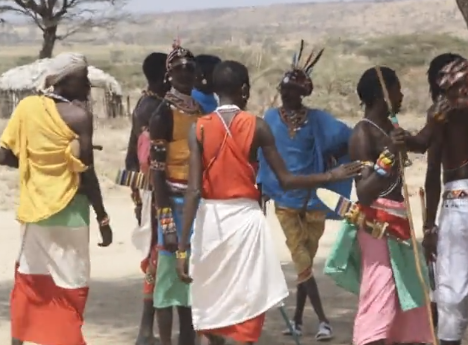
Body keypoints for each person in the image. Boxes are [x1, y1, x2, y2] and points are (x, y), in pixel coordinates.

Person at [174, 60, 363, 345]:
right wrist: (330, 175)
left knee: (211, 293)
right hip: (246, 222)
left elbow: (193, 192)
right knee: (249, 297)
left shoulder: (198, 129)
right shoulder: (258, 126)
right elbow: (286, 179)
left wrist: (181, 248)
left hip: (210, 221)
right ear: (245, 90)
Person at [0, 52, 113, 345]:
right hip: (72, 212)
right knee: (70, 283)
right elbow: (87, 173)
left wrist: (37, 165)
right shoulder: (79, 117)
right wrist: (102, 216)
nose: (88, 86)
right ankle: (67, 339)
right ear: (65, 81)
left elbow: (4, 156)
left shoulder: (27, 108)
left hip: (35, 209)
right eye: (82, 79)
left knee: (29, 278)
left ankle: (18, 340)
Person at [391, 53, 468, 345]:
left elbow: (423, 148)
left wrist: (429, 227)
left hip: (460, 209)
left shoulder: (442, 111)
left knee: (451, 296)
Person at [324, 66, 433, 345]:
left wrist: (438, 116)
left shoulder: (390, 129)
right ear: (381, 95)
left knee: (411, 295)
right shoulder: (363, 133)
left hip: (400, 224)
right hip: (378, 227)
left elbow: (421, 143)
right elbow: (363, 193)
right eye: (397, 89)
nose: (401, 94)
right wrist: (390, 156)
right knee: (380, 296)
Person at [256, 40, 353, 341]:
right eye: (285, 90)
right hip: (285, 201)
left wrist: (334, 162)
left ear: (304, 93)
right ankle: (324, 321)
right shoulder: (270, 119)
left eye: (294, 91)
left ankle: (297, 320)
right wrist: (263, 188)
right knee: (301, 260)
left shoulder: (318, 119)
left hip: (314, 201)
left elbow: (347, 137)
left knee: (304, 265)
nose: (288, 95)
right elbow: (259, 154)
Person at [149, 41, 202, 345]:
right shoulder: (162, 114)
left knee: (191, 280)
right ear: (169, 74)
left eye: (190, 69)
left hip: (197, 203)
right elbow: (157, 174)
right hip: (173, 203)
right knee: (169, 280)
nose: (185, 73)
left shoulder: (201, 111)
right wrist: (166, 222)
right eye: (179, 69)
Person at [123, 51, 170, 345]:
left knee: (155, 255)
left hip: (147, 190)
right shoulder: (155, 109)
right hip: (157, 191)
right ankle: (145, 330)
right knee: (157, 256)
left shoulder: (145, 103)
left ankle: (147, 330)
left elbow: (130, 156)